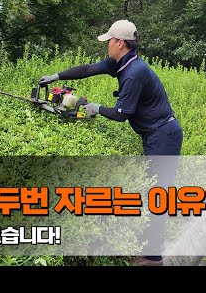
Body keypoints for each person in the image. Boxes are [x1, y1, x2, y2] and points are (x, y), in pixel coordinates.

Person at [39, 20, 183, 266]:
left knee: (158, 192)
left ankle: (153, 256)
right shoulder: (121, 62)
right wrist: (56, 76)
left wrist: (95, 108)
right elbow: (87, 69)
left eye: (109, 41)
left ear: (119, 43)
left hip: (163, 135)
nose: (107, 46)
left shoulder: (135, 73)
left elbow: (121, 114)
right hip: (155, 134)